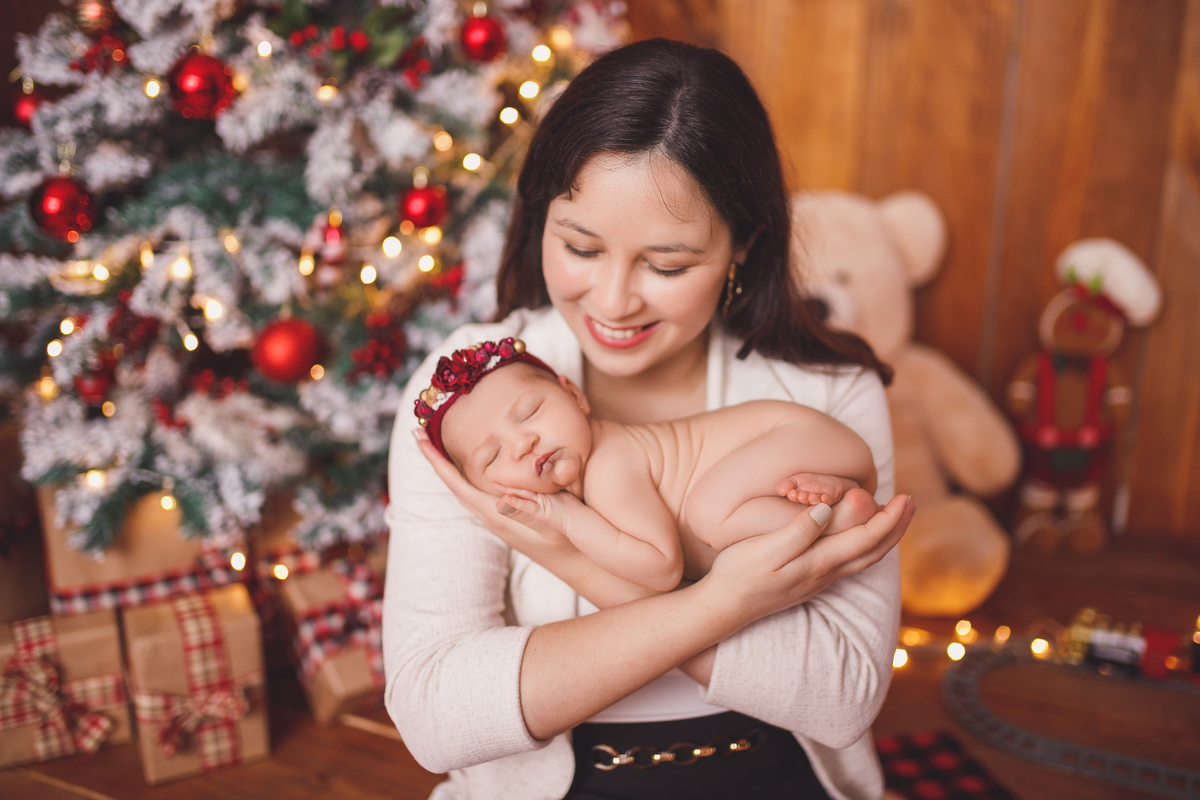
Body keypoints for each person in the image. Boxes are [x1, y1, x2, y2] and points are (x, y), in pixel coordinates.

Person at [383, 38, 915, 800]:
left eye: (666, 265)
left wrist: (574, 560)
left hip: (773, 774)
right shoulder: (472, 398)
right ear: (542, 221)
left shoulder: (828, 391)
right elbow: (436, 714)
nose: (613, 301)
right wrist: (722, 602)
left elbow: (842, 695)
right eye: (580, 247)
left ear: (742, 245)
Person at [414, 337, 877, 594]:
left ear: (574, 394)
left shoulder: (608, 463)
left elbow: (661, 570)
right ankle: (832, 501)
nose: (523, 441)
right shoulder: (593, 485)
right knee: (722, 534)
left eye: (531, 412)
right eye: (492, 456)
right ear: (484, 488)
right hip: (800, 456)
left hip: (792, 434)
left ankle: (834, 520)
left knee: (708, 511)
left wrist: (565, 518)